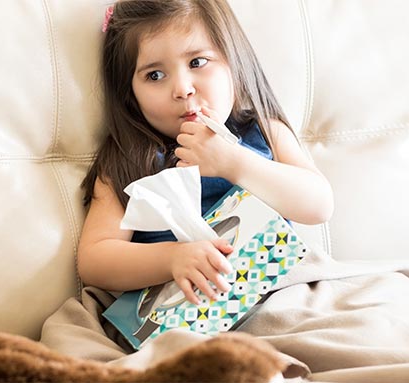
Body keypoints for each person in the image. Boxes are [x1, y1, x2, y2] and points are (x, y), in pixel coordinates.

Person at [77, 0, 334, 306]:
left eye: (197, 62)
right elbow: (94, 259)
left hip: (278, 295)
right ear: (130, 94)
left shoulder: (265, 130)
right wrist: (173, 258)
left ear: (233, 63)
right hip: (187, 310)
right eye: (155, 76)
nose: (183, 89)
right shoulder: (128, 158)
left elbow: (318, 205)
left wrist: (233, 162)